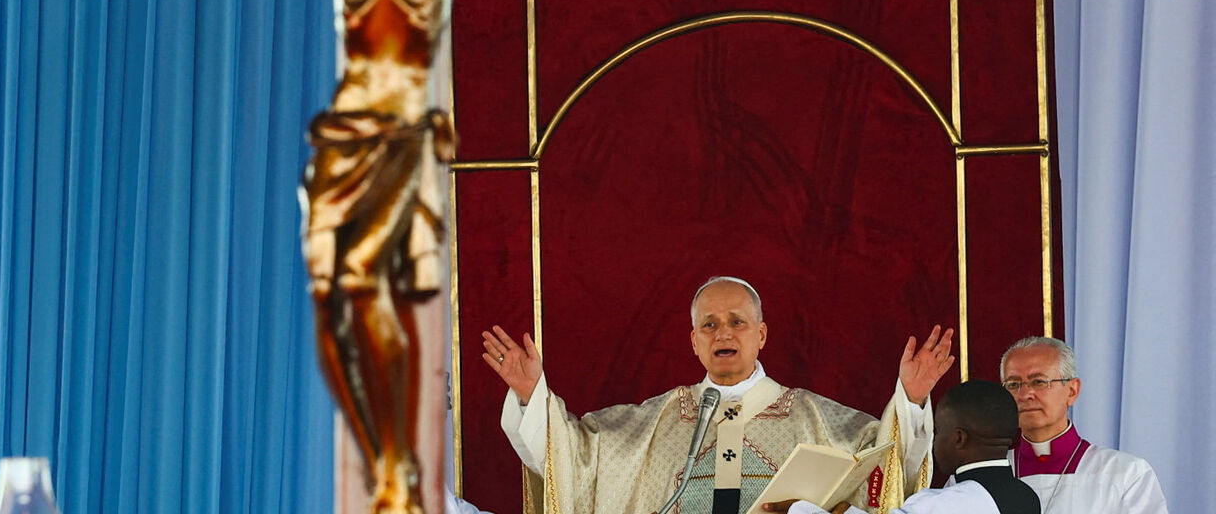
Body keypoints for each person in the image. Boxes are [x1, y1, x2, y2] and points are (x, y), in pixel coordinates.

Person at [119, 0, 685, 511]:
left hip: (402, 138)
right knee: (335, 307)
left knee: (387, 300)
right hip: (345, 133)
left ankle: (397, 468)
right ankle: (379, 445)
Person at [482, 276, 956, 514]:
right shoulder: (654, 421)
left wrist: (910, 401)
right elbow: (575, 456)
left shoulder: (817, 419)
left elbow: (889, 465)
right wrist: (532, 395)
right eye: (708, 324)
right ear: (693, 340)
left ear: (762, 335)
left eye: (736, 322)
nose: (722, 332)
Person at [776, 381, 1039, 514]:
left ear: (959, 439)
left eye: (937, 432)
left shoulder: (950, 502)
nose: (934, 441)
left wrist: (798, 509)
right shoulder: (1026, 496)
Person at [999, 337, 1169, 513]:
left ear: (1072, 390)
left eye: (1039, 382)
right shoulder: (993, 472)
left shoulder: (1126, 473)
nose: (1025, 394)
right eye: (1013, 384)